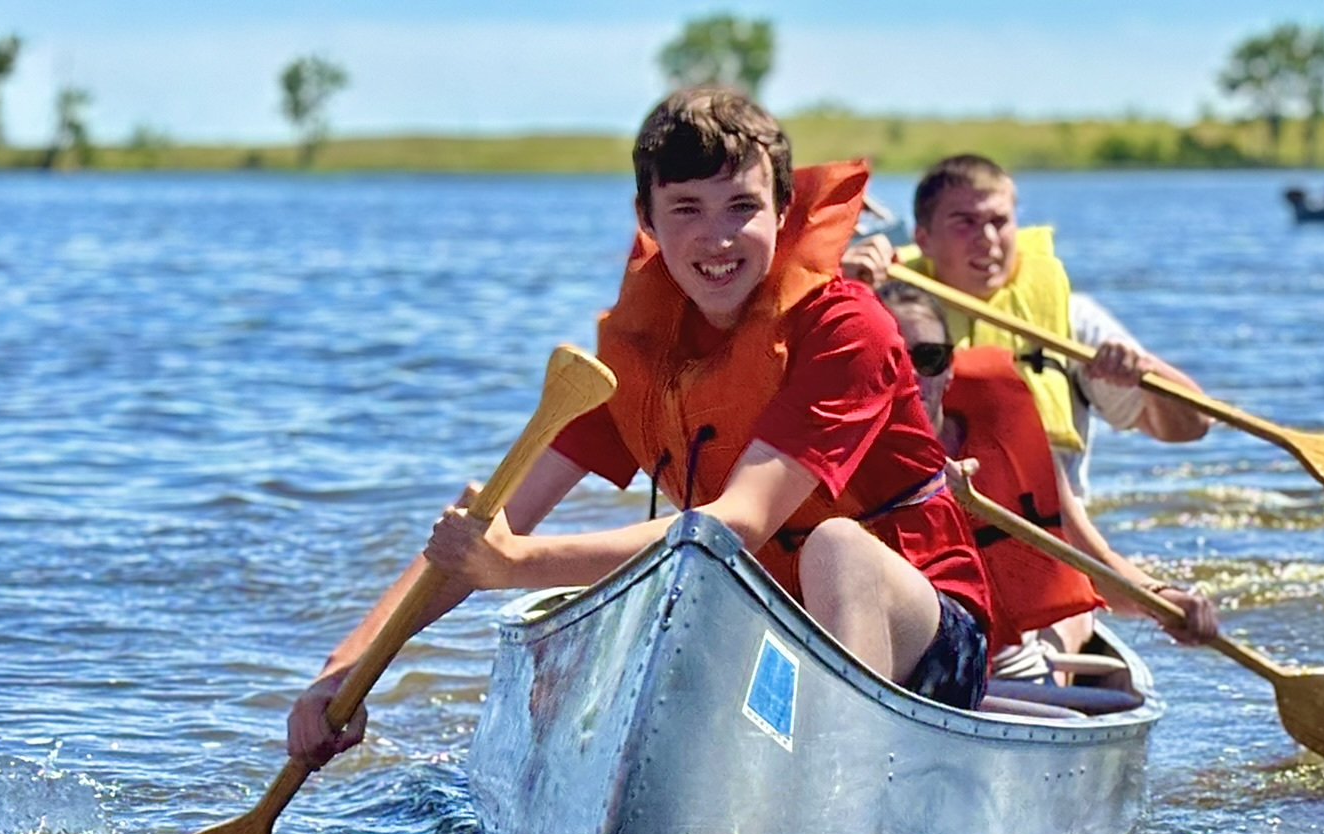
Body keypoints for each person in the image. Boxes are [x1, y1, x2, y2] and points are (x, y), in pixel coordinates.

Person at [288, 87, 996, 766]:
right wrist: (345, 671)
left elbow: (738, 523)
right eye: (686, 208)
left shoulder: (848, 329)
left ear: (784, 211)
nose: (717, 237)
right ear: (647, 220)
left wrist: (517, 565)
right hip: (771, 631)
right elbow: (493, 524)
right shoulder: (642, 355)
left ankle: (837, 801)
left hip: (926, 644)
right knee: (586, 639)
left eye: (742, 206)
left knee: (835, 547)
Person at [875, 280, 1217, 679]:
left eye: (929, 358)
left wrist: (1164, 600)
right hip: (899, 662)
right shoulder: (837, 459)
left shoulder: (1013, 441)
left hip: (1008, 666)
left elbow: (1094, 564)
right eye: (894, 357)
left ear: (950, 369)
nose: (913, 374)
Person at [842, 153, 1210, 501]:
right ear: (923, 239)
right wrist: (839, 284)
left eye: (999, 222)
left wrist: (1141, 371)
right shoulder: (875, 313)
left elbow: (1191, 427)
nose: (987, 239)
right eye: (965, 222)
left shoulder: (1071, 318)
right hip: (925, 512)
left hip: (1048, 524)